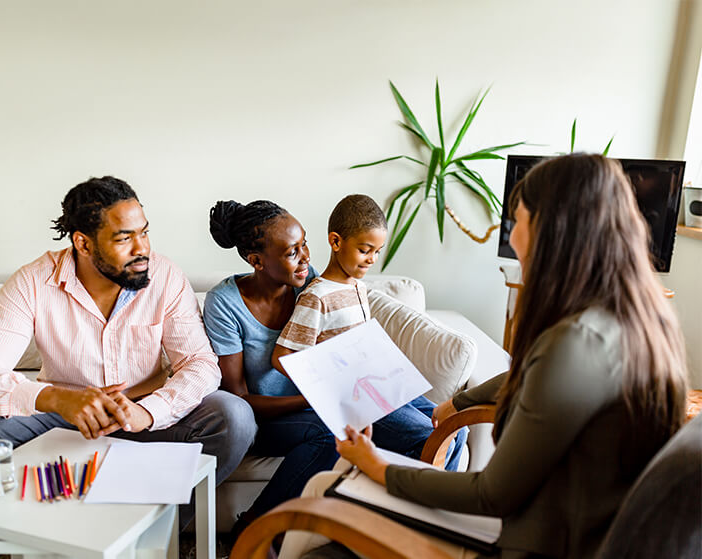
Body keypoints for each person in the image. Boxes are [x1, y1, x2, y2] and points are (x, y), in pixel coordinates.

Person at [285, 153, 689, 559]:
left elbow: (491, 493)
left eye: (520, 219)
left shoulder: (573, 343)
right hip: (553, 528)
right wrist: (460, 400)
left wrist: (376, 466)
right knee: (334, 485)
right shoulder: (633, 320)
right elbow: (531, 372)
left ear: (554, 229)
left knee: (325, 488)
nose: (512, 238)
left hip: (520, 541)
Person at [0, 177, 256, 491]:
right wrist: (57, 398)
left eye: (144, 232)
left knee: (234, 417)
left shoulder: (165, 276)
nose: (143, 249)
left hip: (143, 411)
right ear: (83, 243)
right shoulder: (33, 281)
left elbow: (200, 364)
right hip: (64, 415)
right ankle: (40, 527)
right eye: (124, 238)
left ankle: (158, 530)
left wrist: (148, 412)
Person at [271, 194, 466, 468]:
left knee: (458, 427)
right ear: (336, 242)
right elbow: (282, 354)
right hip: (356, 398)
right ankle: (405, 498)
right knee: (431, 435)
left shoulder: (358, 288)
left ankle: (437, 502)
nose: (372, 259)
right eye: (365, 250)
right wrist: (326, 383)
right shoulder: (317, 296)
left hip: (380, 385)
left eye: (377, 251)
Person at [203, 200, 340, 539]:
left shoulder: (309, 286)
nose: (306, 257)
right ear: (257, 261)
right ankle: (253, 528)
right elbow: (239, 397)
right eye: (293, 251)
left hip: (313, 408)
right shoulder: (225, 303)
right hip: (262, 420)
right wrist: (308, 401)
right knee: (328, 434)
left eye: (304, 243)